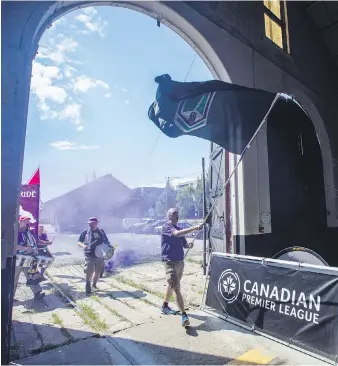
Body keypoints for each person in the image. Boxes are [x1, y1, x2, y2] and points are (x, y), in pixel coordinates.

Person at [161, 208, 203, 327]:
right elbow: (177, 234)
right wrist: (194, 228)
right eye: (174, 214)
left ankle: (164, 306)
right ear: (169, 216)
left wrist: (189, 245)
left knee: (172, 285)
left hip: (180, 262)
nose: (177, 216)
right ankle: (184, 316)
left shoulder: (179, 228)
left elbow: (184, 244)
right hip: (169, 262)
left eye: (178, 214)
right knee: (177, 288)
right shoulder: (167, 227)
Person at [14, 216, 45, 300]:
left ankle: (37, 293)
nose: (27, 222)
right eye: (25, 221)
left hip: (29, 258)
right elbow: (13, 246)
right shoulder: (15, 232)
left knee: (32, 275)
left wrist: (46, 243)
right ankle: (9, 297)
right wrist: (25, 248)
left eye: (28, 221)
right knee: (14, 278)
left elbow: (36, 241)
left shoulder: (30, 232)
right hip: (18, 259)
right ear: (20, 221)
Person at [77, 217, 110, 294]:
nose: (91, 224)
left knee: (98, 271)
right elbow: (79, 242)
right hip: (89, 254)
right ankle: (88, 285)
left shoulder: (101, 232)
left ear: (96, 223)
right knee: (89, 270)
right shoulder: (85, 232)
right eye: (90, 223)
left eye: (92, 223)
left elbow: (106, 242)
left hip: (99, 254)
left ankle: (94, 285)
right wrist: (83, 246)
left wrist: (109, 248)